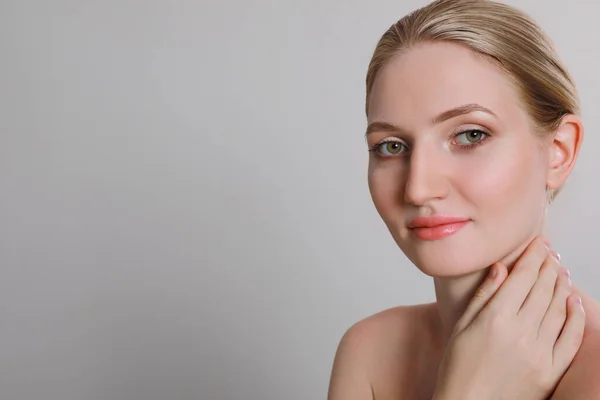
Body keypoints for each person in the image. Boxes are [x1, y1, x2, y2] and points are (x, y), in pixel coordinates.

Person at [327, 0, 600, 399]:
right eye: (391, 146)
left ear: (559, 150)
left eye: (471, 135)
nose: (417, 188)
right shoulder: (369, 350)